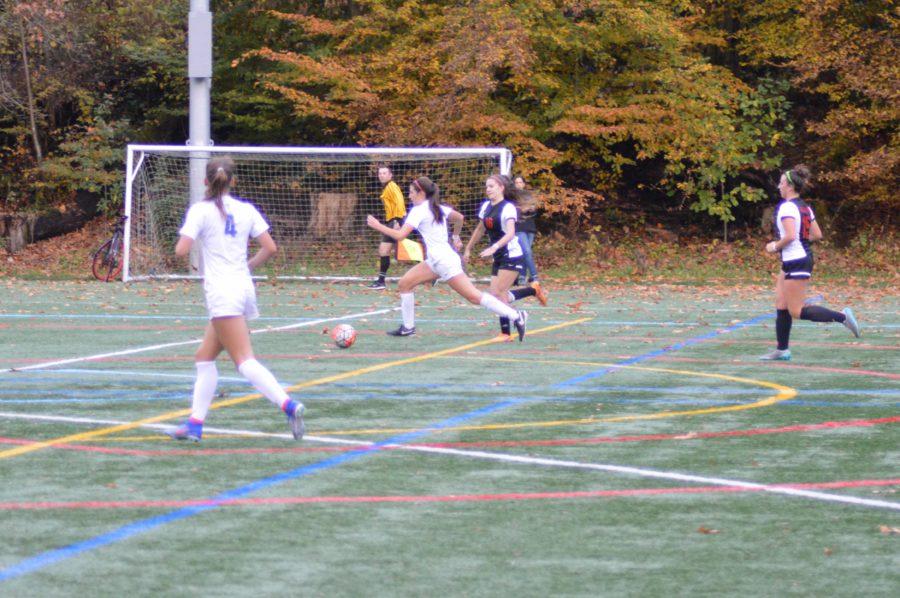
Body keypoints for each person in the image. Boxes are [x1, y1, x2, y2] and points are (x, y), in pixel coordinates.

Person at [166, 157, 305, 441]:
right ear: (233, 181)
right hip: (242, 287)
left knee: (244, 360)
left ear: (206, 182)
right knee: (204, 357)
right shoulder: (246, 209)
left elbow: (181, 250)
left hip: (222, 292)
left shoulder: (200, 210)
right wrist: (247, 266)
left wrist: (184, 239)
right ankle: (195, 423)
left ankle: (288, 404)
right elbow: (270, 247)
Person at [366, 176, 527, 340]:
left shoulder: (420, 210)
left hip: (445, 262)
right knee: (404, 284)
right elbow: (459, 218)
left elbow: (400, 236)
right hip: (435, 261)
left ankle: (516, 315)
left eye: (411, 193)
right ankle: (408, 327)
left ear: (421, 193)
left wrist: (378, 226)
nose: (409, 196)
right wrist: (456, 236)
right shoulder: (436, 207)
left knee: (474, 296)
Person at [760, 165, 860, 361]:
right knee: (781, 303)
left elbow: (789, 236)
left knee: (796, 311)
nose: (779, 186)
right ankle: (782, 350)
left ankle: (843, 317)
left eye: (781, 183)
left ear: (789, 186)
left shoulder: (787, 207)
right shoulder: (804, 206)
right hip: (795, 260)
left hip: (796, 261)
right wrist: (798, 242)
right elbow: (817, 234)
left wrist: (774, 246)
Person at [464, 174, 545, 341]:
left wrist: (493, 247)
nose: (488, 189)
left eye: (491, 186)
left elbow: (510, 233)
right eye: (487, 186)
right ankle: (533, 290)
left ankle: (508, 330)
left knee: (499, 293)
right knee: (497, 295)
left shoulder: (508, 207)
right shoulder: (486, 206)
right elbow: (480, 230)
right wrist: (468, 248)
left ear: (501, 188)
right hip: (499, 255)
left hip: (512, 254)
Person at [368, 164, 407, 289]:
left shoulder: (392, 186)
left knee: (385, 250)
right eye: (380, 173)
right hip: (393, 220)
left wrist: (397, 221)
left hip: (395, 221)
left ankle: (381, 281)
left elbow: (400, 203)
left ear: (390, 175)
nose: (381, 175)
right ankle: (381, 281)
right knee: (386, 250)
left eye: (384, 173)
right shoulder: (387, 187)